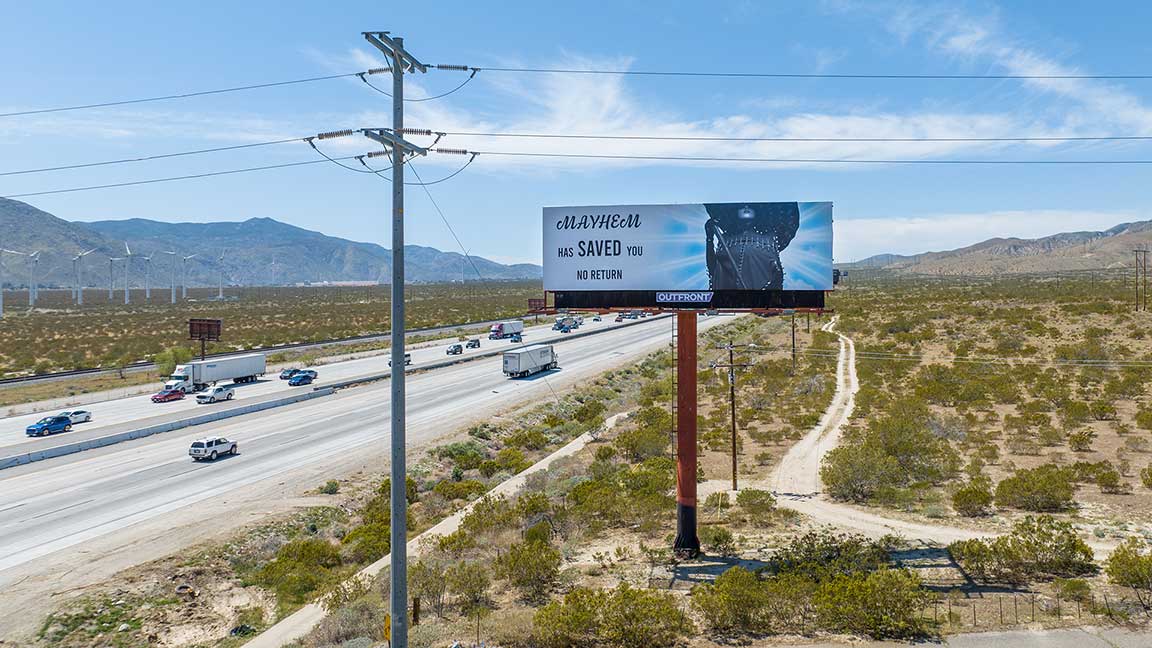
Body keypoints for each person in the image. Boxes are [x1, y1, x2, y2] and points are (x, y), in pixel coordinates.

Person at [704, 202, 800, 290]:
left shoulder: (769, 237)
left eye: (750, 205)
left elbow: (776, 271)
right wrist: (709, 239)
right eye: (742, 205)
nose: (746, 207)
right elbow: (715, 269)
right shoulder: (725, 238)